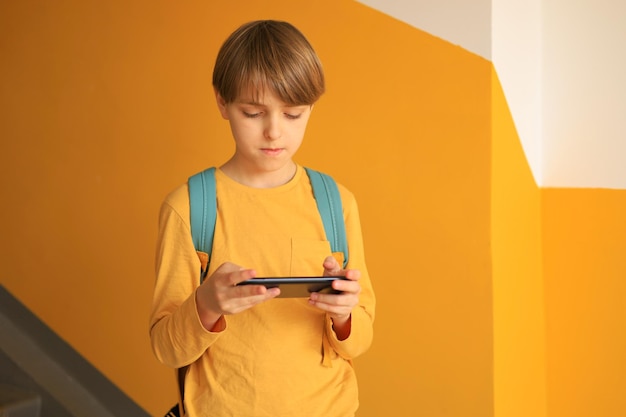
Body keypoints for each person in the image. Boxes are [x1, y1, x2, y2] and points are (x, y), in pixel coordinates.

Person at [149, 20, 375, 417]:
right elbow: (167, 349)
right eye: (253, 113)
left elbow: (360, 339)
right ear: (222, 102)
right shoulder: (189, 208)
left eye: (293, 114)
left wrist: (344, 316)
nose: (274, 132)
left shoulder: (336, 203)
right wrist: (205, 303)